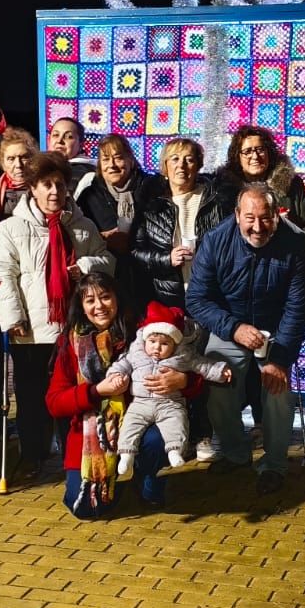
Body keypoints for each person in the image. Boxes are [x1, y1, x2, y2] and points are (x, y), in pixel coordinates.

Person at [0, 151, 114, 485]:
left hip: (73, 328)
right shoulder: (10, 228)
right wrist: (12, 315)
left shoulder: (83, 226)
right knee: (32, 399)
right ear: (33, 187)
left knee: (72, 395)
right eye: (46, 185)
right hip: (31, 329)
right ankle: (33, 455)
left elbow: (108, 262)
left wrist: (87, 266)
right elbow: (3, 274)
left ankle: (71, 454)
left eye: (59, 185)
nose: (53, 192)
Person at [186, 184, 305, 494]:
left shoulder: (294, 242)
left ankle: (275, 464)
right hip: (230, 327)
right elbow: (197, 299)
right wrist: (233, 328)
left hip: (276, 330)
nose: (258, 227)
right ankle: (235, 451)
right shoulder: (215, 241)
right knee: (217, 381)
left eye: (266, 218)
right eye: (250, 218)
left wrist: (280, 359)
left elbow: (297, 306)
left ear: (277, 214)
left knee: (278, 389)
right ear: (237, 214)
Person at [46, 272, 200, 516]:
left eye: (105, 297)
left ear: (117, 298)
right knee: (87, 509)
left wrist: (183, 380)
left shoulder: (144, 333)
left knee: (158, 438)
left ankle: (144, 475)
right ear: (82, 306)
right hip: (91, 435)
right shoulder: (70, 343)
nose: (99, 306)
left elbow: (194, 369)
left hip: (143, 419)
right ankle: (117, 478)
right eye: (90, 300)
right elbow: (54, 402)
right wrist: (96, 391)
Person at [133, 138, 228, 458]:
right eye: (174, 159)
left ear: (199, 164)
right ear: (164, 167)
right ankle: (173, 437)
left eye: (189, 159)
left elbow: (231, 246)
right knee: (168, 368)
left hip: (208, 298)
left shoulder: (216, 202)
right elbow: (136, 251)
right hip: (169, 300)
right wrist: (165, 258)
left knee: (198, 370)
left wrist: (209, 258)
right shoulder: (153, 206)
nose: (182, 166)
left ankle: (202, 435)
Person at [107, 303, 232, 475]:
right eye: (152, 342)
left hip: (170, 403)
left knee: (176, 423)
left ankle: (174, 451)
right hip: (140, 403)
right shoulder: (136, 353)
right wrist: (114, 374)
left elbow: (202, 365)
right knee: (130, 425)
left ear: (174, 344)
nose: (157, 348)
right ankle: (126, 455)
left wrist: (220, 370)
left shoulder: (182, 355)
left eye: (164, 344)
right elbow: (123, 363)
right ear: (145, 339)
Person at [214, 126, 305, 232]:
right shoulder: (224, 190)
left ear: (269, 152)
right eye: (247, 151)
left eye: (260, 149)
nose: (255, 156)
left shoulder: (292, 184)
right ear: (237, 156)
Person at [75, 132, 146, 273]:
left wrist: (132, 238)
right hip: (106, 272)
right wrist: (103, 238)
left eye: (118, 158)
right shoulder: (90, 193)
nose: (112, 165)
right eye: (105, 159)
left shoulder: (149, 188)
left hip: (147, 269)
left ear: (131, 160)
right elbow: (78, 233)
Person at [0, 126, 38, 220]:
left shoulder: (45, 189)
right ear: (2, 163)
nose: (18, 165)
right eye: (11, 159)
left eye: (24, 157)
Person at [48, 115, 97, 186]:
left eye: (69, 137)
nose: (59, 140)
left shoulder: (89, 176)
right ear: (48, 140)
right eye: (56, 135)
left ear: (80, 145)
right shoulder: (41, 169)